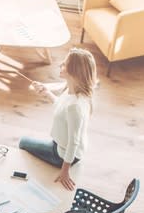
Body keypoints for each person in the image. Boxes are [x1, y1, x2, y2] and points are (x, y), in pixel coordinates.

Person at [18, 47, 97, 190]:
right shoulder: (74, 91)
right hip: (63, 146)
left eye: (65, 64)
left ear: (74, 71)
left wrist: (65, 171)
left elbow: (73, 142)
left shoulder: (75, 106)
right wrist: (46, 92)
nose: (61, 66)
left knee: (22, 142)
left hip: (61, 154)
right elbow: (62, 108)